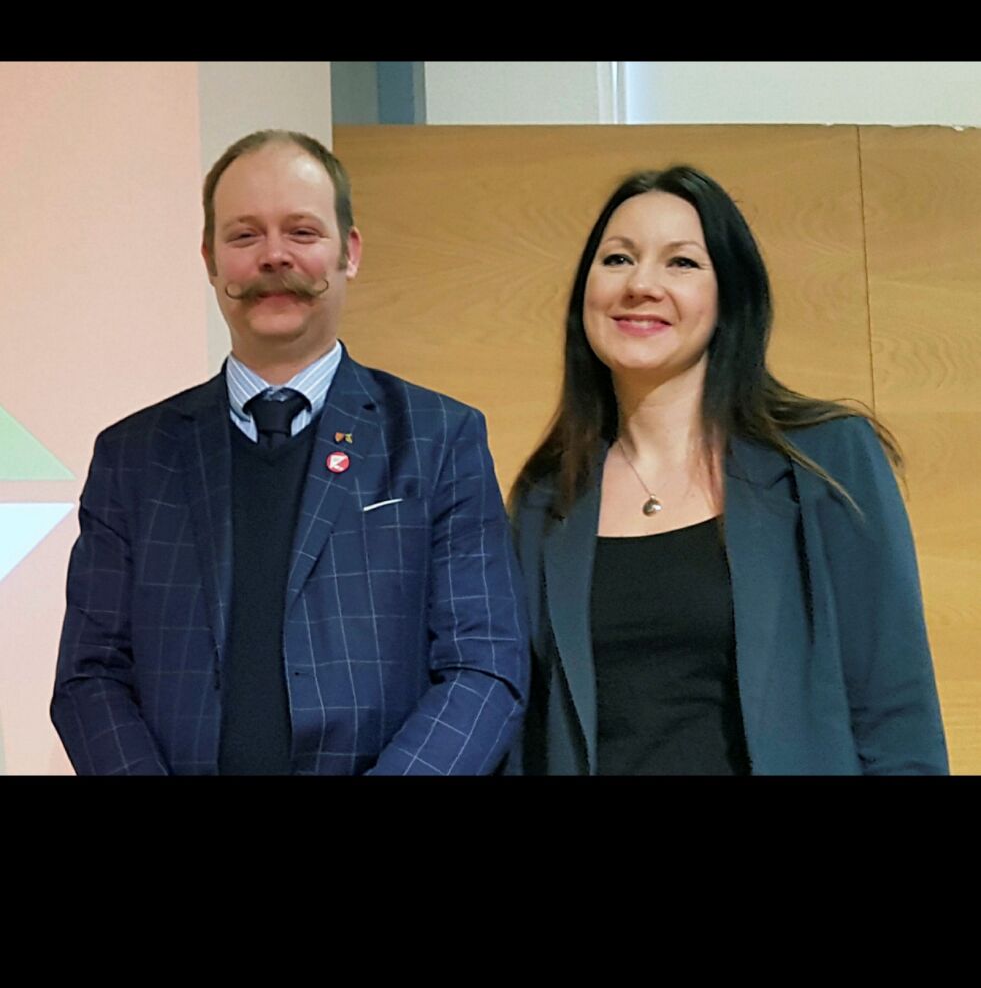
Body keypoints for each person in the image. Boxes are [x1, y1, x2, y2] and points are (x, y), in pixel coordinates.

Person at [52, 129, 528, 775]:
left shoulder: (439, 438)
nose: (274, 256)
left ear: (348, 252)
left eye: (301, 232)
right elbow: (89, 677)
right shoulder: (131, 458)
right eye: (244, 235)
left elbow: (485, 667)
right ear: (209, 259)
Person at [508, 166, 948, 775]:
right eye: (616, 259)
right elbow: (524, 733)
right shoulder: (545, 499)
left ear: (730, 297)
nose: (641, 284)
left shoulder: (827, 460)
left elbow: (897, 718)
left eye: (682, 263)